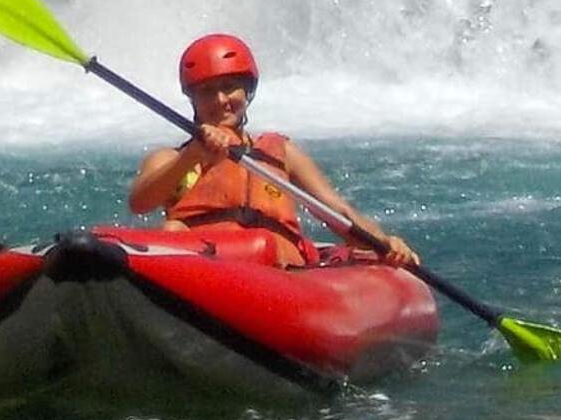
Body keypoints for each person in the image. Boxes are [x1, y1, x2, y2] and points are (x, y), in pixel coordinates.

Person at [127, 33, 420, 269]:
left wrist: (384, 242)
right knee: (172, 230)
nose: (220, 100)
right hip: (207, 269)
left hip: (278, 272)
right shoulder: (170, 159)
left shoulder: (279, 152)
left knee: (267, 246)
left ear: (247, 91)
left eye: (229, 87)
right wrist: (193, 154)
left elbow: (339, 213)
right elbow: (140, 202)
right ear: (192, 99)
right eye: (206, 91)